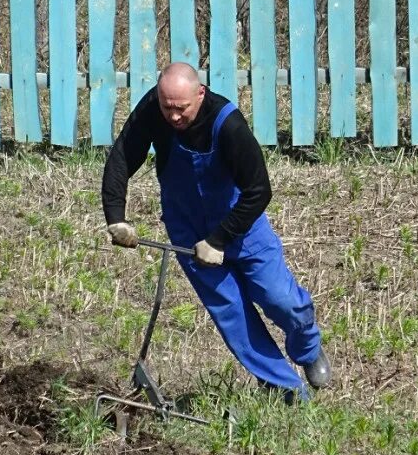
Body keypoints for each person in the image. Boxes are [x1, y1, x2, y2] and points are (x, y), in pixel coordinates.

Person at [100, 62, 331, 401]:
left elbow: (259, 190)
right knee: (232, 312)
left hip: (241, 225)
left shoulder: (228, 124)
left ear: (200, 93)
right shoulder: (155, 109)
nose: (174, 117)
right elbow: (122, 155)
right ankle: (286, 389)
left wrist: (219, 239)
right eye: (167, 108)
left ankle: (308, 349)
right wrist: (116, 217)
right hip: (189, 230)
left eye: (181, 109)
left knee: (279, 299)